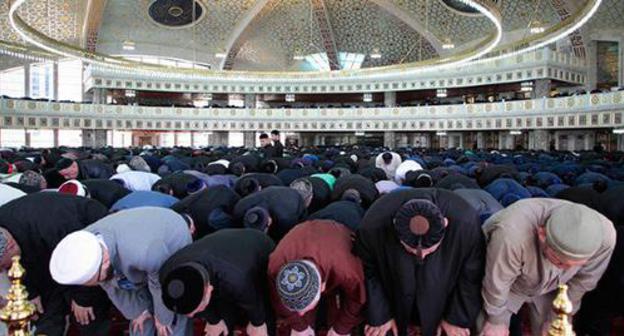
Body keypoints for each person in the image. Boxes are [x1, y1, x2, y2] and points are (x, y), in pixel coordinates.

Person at [355, 188, 485, 336]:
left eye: (429, 250)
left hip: (445, 298)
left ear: (446, 223)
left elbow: (471, 275)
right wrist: (380, 315)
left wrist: (457, 318)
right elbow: (368, 272)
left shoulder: (465, 223)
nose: (421, 256)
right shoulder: (373, 225)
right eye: (410, 250)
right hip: (393, 294)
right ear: (394, 224)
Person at [480, 198, 616, 336]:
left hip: (556, 288)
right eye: (559, 261)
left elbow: (581, 283)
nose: (565, 269)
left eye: (575, 265)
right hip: (509, 286)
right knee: (487, 330)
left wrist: (558, 316)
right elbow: (497, 282)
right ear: (542, 235)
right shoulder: (511, 233)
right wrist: (495, 321)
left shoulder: (605, 238)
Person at [49, 207, 194, 336]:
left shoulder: (144, 251)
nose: (99, 283)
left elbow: (160, 283)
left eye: (96, 279)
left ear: (105, 261)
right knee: (140, 322)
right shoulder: (83, 246)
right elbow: (108, 284)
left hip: (170, 240)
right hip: (133, 256)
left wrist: (163, 318)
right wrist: (136, 312)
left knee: (172, 314)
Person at [0, 192, 110, 335]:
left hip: (92, 247)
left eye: (3, 266)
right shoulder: (6, 230)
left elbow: (87, 263)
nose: (3, 272)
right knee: (41, 310)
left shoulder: (53, 226)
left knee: (86, 316)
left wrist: (83, 299)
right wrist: (31, 292)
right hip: (48, 254)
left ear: (10, 245)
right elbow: (20, 262)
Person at [159, 229, 276, 336]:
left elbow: (254, 303)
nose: (190, 316)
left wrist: (257, 323)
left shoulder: (238, 279)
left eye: (196, 310)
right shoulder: (166, 275)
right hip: (220, 251)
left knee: (264, 320)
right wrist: (213, 320)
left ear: (209, 290)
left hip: (258, 248)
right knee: (222, 322)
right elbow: (194, 301)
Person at [268, 220, 366, 336]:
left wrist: (340, 329)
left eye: (304, 308)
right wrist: (300, 327)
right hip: (305, 231)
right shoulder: (276, 266)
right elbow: (277, 299)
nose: (300, 314)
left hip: (340, 228)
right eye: (295, 308)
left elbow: (356, 299)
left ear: (323, 287)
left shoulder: (348, 271)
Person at [233, 186, 307, 241]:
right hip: (272, 193)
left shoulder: (285, 218)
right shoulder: (240, 208)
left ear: (269, 220)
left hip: (292, 198)